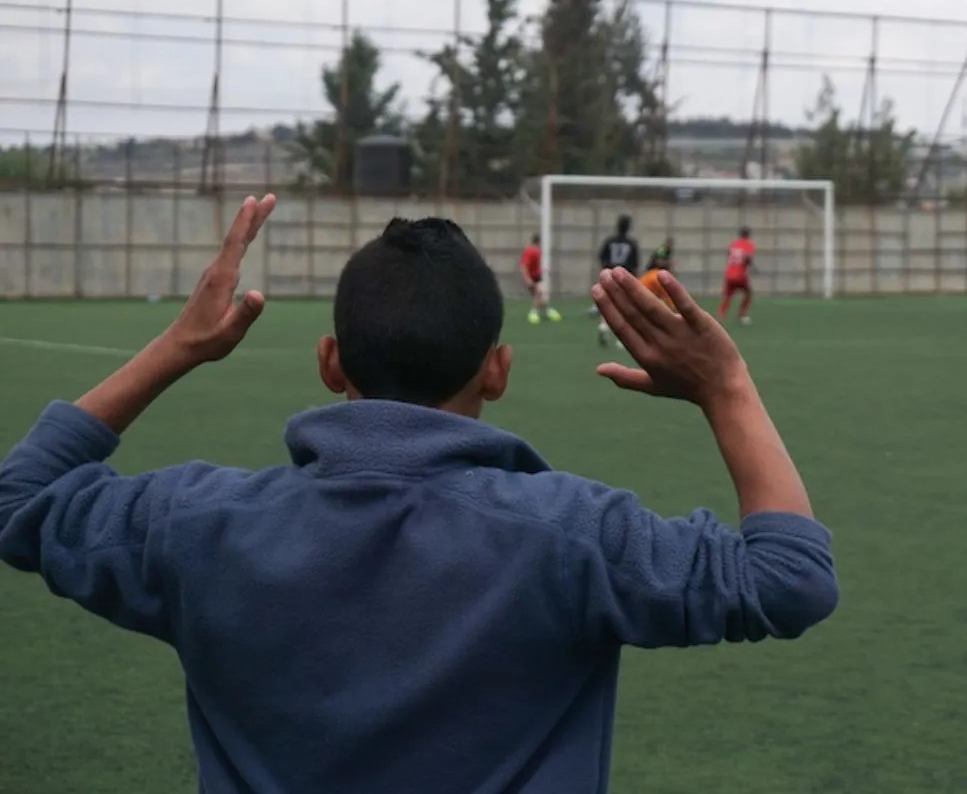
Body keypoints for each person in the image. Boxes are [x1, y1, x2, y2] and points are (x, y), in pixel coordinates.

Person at [0, 195, 837, 794]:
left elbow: (20, 499)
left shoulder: (198, 526)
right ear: (497, 372)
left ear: (331, 364)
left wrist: (178, 347)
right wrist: (725, 387)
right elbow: (789, 580)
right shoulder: (575, 536)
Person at [595, 214, 640, 347]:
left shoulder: (609, 241)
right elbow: (635, 265)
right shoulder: (632, 244)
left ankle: (603, 325)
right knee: (624, 306)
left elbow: (601, 256)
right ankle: (621, 338)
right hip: (624, 276)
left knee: (608, 302)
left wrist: (605, 269)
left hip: (609, 274)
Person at [520, 234, 561, 324]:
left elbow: (534, 266)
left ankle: (547, 311)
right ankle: (533, 313)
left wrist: (542, 270)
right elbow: (524, 266)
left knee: (542, 295)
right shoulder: (530, 251)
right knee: (538, 294)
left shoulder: (537, 252)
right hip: (531, 277)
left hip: (537, 276)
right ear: (538, 242)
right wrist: (527, 279)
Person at [719, 227, 757, 325]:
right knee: (748, 293)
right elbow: (747, 257)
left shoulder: (734, 244)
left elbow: (729, 254)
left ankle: (721, 316)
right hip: (740, 275)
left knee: (727, 296)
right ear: (748, 235)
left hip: (729, 274)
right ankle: (742, 315)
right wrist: (753, 267)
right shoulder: (749, 244)